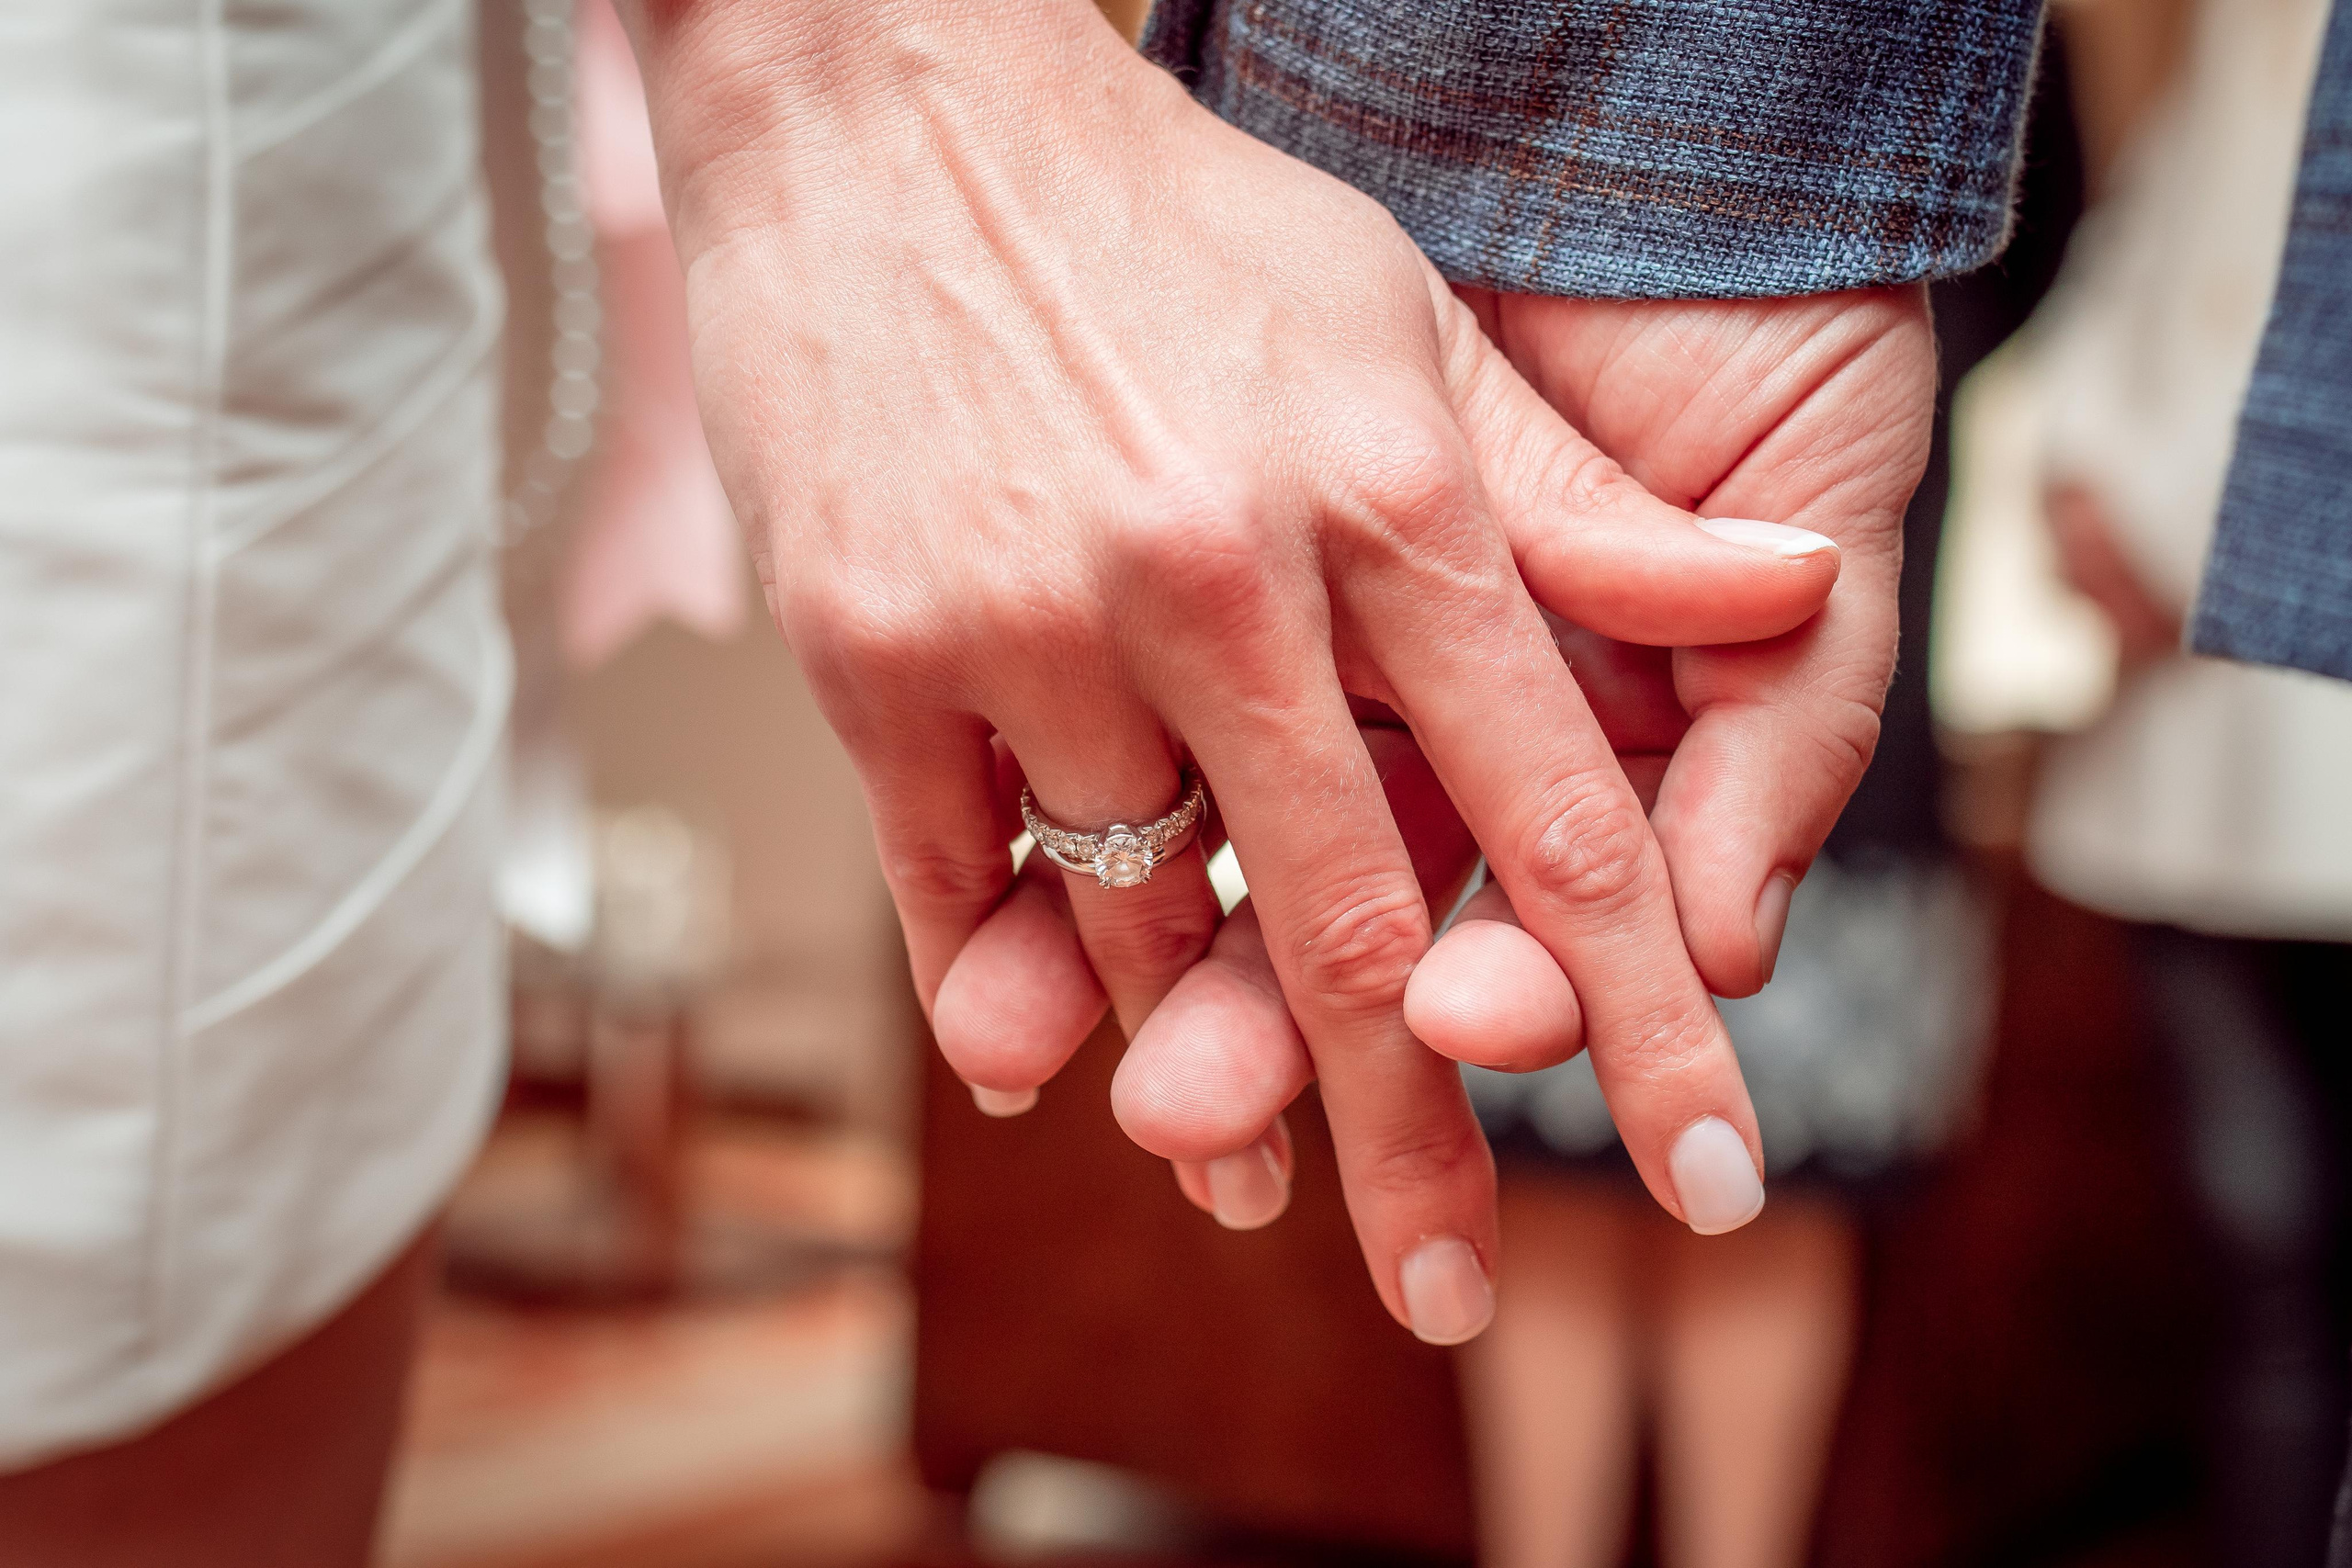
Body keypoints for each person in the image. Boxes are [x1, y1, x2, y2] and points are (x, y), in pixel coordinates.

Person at [2005, 0, 2352, 1553]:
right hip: (2189, 772)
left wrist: (2186, 535)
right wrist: (2086, 493)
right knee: (2258, 1252)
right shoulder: (2237, 43)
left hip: (2309, 737)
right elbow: (2131, 280)